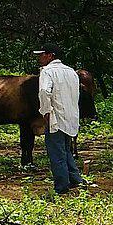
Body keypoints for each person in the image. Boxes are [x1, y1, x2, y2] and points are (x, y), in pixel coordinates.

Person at [35, 43, 83, 195]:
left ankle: (61, 187)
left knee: (57, 154)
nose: (39, 58)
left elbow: (44, 91)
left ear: (50, 56)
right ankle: (76, 180)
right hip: (70, 117)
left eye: (42, 54)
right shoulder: (71, 72)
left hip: (55, 117)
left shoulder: (47, 72)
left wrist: (45, 111)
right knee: (65, 150)